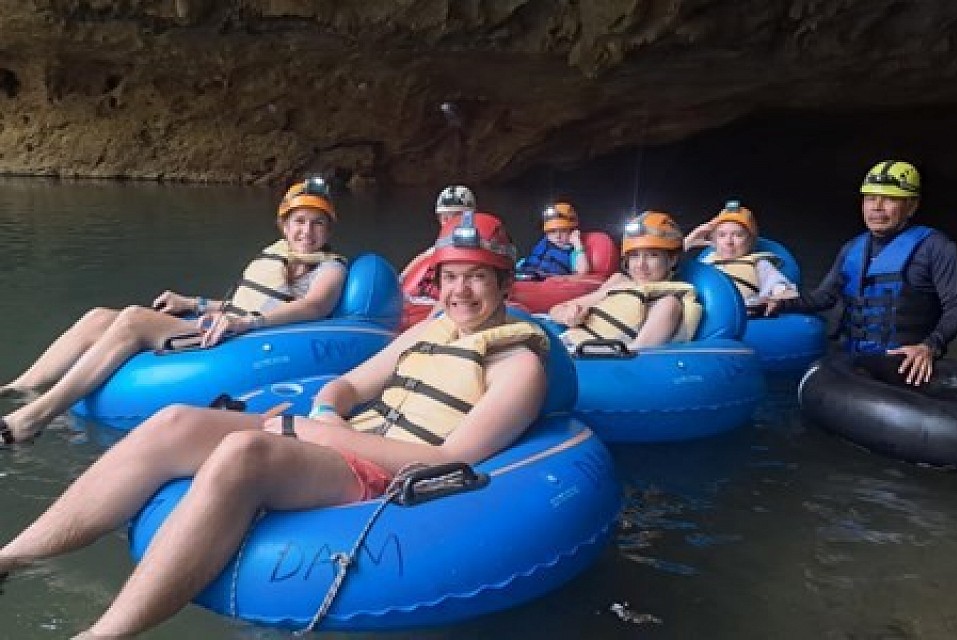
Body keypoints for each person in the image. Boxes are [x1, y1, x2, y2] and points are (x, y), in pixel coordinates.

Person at [0, 212, 547, 638]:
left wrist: (321, 434)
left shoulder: (518, 366)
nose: (460, 291)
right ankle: (13, 557)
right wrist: (326, 412)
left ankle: (103, 634)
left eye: (477, 277)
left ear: (504, 284)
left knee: (245, 454)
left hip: (384, 473)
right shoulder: (428, 332)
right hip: (337, 436)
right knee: (172, 422)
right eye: (451, 277)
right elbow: (347, 386)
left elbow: (449, 460)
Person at [0, 177, 348, 445]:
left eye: (317, 223)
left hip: (248, 339)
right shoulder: (278, 254)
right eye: (299, 221)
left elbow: (314, 306)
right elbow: (245, 301)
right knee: (99, 317)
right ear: (284, 225)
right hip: (228, 325)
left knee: (134, 319)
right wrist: (193, 303)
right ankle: (20, 387)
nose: (306, 231)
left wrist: (247, 323)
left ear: (329, 229)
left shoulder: (330, 267)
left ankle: (33, 419)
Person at [765, 160, 957, 385]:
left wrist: (930, 346)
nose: (877, 207)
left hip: (902, 366)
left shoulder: (936, 248)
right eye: (870, 198)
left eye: (889, 199)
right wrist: (781, 304)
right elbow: (824, 297)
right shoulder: (852, 248)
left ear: (912, 205)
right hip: (853, 363)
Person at [549, 210, 701, 353]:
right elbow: (556, 310)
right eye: (634, 255)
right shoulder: (619, 283)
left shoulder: (667, 304)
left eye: (652, 255)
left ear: (672, 260)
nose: (640, 265)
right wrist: (568, 315)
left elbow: (636, 354)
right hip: (566, 344)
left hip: (589, 358)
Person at [684, 200, 798, 306]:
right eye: (722, 235)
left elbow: (784, 291)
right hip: (707, 313)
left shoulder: (759, 265)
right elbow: (676, 280)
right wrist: (687, 243)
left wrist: (775, 300)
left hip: (744, 315)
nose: (728, 242)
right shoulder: (706, 262)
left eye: (738, 235)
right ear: (714, 240)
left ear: (751, 241)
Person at [398, 184, 476, 296]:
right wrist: (401, 278)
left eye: (457, 217)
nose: (451, 222)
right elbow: (424, 256)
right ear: (439, 219)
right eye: (445, 218)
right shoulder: (442, 244)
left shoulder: (481, 240)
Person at [516, 202, 591, 278]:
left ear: (571, 231)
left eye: (563, 231)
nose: (558, 236)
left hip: (549, 279)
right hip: (527, 274)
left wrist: (577, 243)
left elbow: (583, 271)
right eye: (552, 231)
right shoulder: (544, 243)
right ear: (547, 233)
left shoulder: (573, 252)